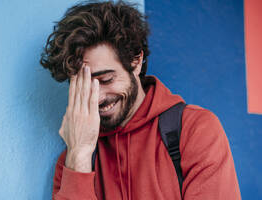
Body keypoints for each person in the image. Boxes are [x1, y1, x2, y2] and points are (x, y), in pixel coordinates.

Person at [40, 1, 241, 199]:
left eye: (106, 79)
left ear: (135, 61)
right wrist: (80, 156)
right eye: (84, 87)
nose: (98, 97)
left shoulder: (195, 130)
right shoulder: (73, 163)